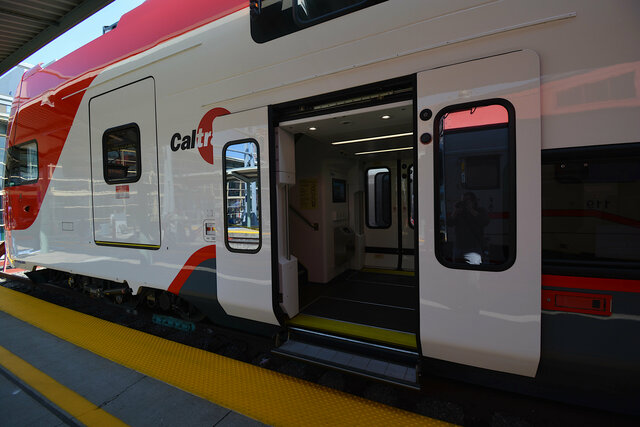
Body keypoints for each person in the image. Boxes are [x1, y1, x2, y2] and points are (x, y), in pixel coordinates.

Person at [450, 192, 489, 265]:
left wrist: (471, 209)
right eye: (463, 201)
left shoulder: (480, 210)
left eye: (467, 200)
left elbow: (484, 221)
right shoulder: (459, 212)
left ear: (473, 201)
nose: (465, 203)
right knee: (456, 271)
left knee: (472, 273)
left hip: (473, 248)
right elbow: (449, 223)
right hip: (459, 246)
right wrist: (455, 211)